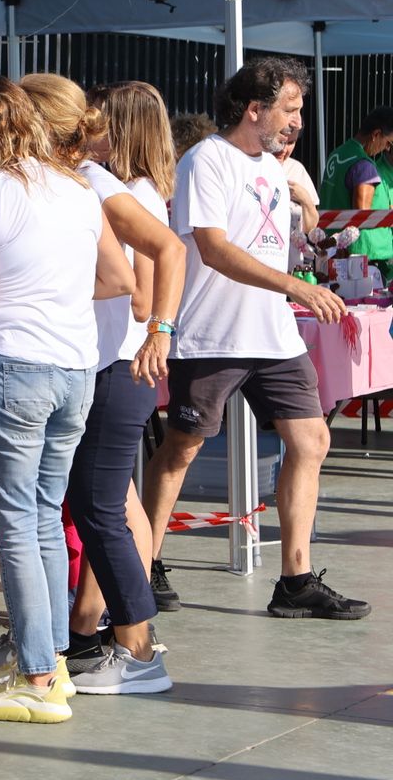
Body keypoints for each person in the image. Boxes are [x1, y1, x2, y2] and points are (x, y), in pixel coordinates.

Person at [141, 58, 370, 620]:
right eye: (289, 110)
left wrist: (308, 237)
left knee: (312, 441)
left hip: (273, 333)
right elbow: (215, 248)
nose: (297, 122)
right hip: (213, 332)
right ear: (254, 109)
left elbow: (276, 240)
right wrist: (295, 283)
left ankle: (295, 579)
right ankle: (142, 563)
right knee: (182, 449)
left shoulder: (271, 166)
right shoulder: (205, 161)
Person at [0, 75, 135, 725]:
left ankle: (35, 672)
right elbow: (121, 278)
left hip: (10, 364)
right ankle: (50, 660)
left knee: (16, 523)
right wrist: (55, 291)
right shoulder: (80, 192)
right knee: (47, 515)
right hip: (75, 367)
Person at [23, 76, 183, 696]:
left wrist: (160, 332)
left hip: (116, 365)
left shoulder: (97, 184)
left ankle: (138, 650)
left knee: (101, 509)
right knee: (106, 508)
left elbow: (152, 270)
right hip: (106, 365)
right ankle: (98, 637)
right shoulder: (82, 183)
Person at [319, 106, 393, 276]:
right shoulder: (364, 165)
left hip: (333, 249)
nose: (386, 149)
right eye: (388, 143)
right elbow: (362, 219)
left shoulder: (337, 154)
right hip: (364, 260)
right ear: (376, 135)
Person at [277, 126, 319, 274]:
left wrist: (305, 199)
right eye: (281, 141)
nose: (284, 149)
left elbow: (311, 229)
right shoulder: (253, 165)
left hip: (294, 267)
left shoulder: (297, 169)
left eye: (291, 143)